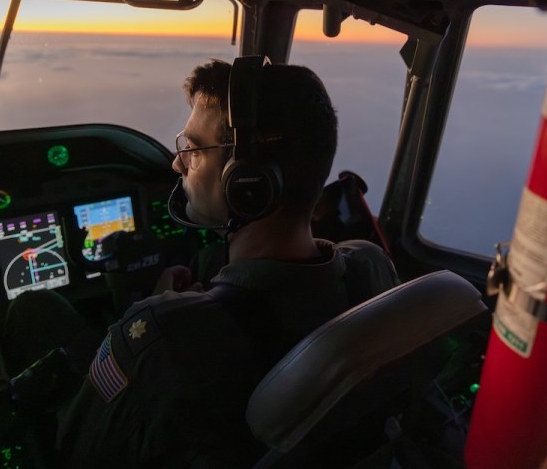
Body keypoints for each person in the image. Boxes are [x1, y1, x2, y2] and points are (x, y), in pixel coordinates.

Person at [54, 58, 400, 468]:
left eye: (193, 150)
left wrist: (157, 313)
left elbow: (76, 449)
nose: (176, 164)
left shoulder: (163, 338)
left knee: (35, 312)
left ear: (247, 183)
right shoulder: (370, 268)